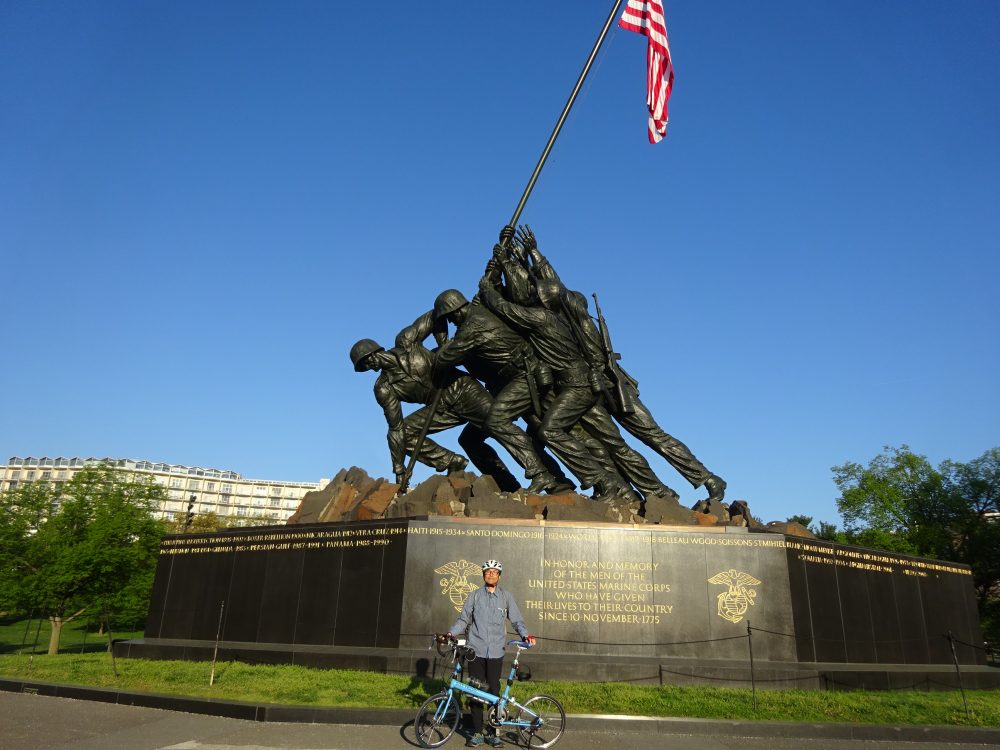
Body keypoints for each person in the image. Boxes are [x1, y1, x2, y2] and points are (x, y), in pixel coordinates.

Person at [447, 559, 534, 747]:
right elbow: (463, 619)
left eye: (495, 572)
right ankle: (478, 733)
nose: (491, 574)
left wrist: (526, 635)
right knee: (476, 692)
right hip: (475, 651)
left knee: (494, 691)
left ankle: (494, 732)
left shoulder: (506, 597)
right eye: (488, 572)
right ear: (483, 575)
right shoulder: (475, 596)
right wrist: (450, 633)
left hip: (496, 652)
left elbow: (517, 620)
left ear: (499, 576)